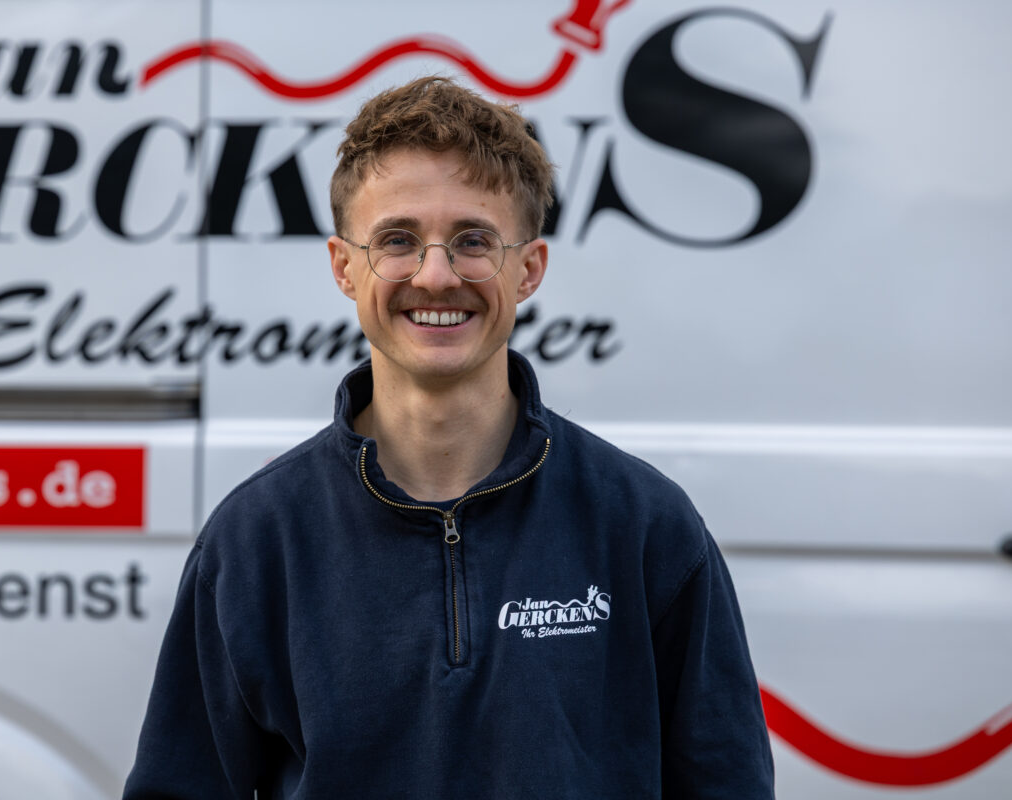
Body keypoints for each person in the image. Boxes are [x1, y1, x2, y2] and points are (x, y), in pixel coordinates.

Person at [124, 76, 774, 799]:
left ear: (528, 269)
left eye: (473, 241)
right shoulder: (255, 540)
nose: (436, 276)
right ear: (345, 267)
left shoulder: (645, 525)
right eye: (397, 241)